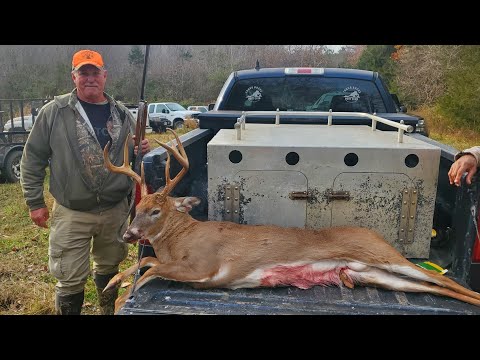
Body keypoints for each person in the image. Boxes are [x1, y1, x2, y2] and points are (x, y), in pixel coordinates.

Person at [20, 49, 150, 315]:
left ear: (105, 76)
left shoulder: (123, 114)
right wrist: (35, 202)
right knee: (69, 276)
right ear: (74, 77)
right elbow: (32, 158)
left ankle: (107, 311)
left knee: (110, 266)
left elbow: (134, 155)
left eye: (95, 73)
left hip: (114, 209)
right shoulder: (55, 112)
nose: (90, 78)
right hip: (72, 211)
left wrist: (140, 148)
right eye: (83, 73)